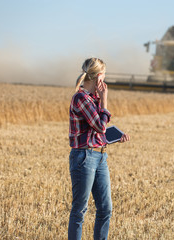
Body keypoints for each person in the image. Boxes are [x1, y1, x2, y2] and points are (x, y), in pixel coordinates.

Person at [68, 57, 130, 240]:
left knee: (105, 208)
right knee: (80, 209)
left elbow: (97, 131)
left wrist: (114, 137)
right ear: (98, 78)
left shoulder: (92, 99)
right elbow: (100, 126)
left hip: (100, 156)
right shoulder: (81, 98)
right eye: (104, 76)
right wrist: (104, 100)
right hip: (84, 158)